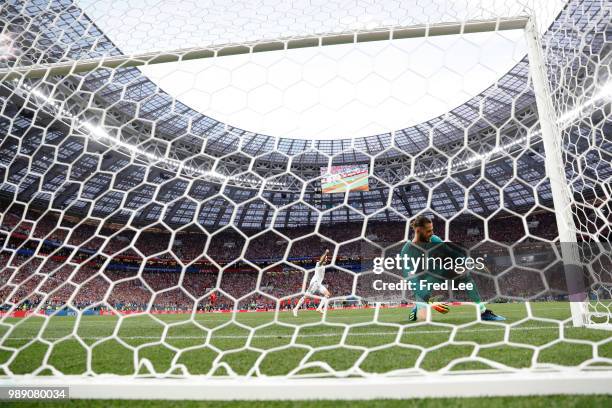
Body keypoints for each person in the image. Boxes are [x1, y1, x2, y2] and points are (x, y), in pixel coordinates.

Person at [400, 215, 505, 322]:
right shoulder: (407, 250)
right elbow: (410, 278)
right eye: (428, 231)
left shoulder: (434, 239)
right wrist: (426, 297)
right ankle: (418, 307)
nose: (431, 233)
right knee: (423, 320)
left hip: (438, 273)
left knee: (465, 276)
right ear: (418, 231)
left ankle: (483, 312)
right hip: (422, 283)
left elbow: (451, 253)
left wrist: (469, 262)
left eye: (432, 230)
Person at [293, 249, 331, 317]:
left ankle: (319, 308)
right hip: (314, 283)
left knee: (327, 294)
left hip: (319, 284)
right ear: (322, 258)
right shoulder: (318, 264)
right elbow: (321, 260)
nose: (326, 259)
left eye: (327, 258)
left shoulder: (323, 266)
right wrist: (326, 253)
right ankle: (295, 309)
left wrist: (325, 255)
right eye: (325, 258)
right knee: (306, 296)